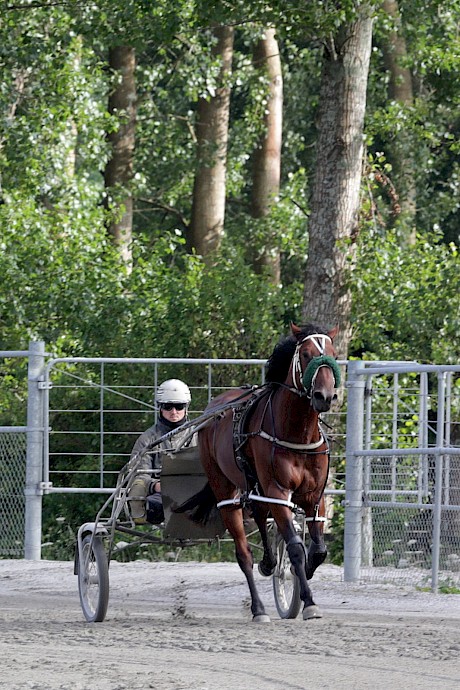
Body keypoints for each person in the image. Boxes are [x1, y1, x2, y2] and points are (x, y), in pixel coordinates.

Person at [128, 378, 197, 524]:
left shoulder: (199, 435)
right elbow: (138, 473)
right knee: (152, 503)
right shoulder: (147, 439)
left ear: (186, 407)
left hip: (196, 491)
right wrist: (156, 485)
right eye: (168, 406)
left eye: (179, 407)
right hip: (161, 494)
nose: (174, 412)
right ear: (160, 407)